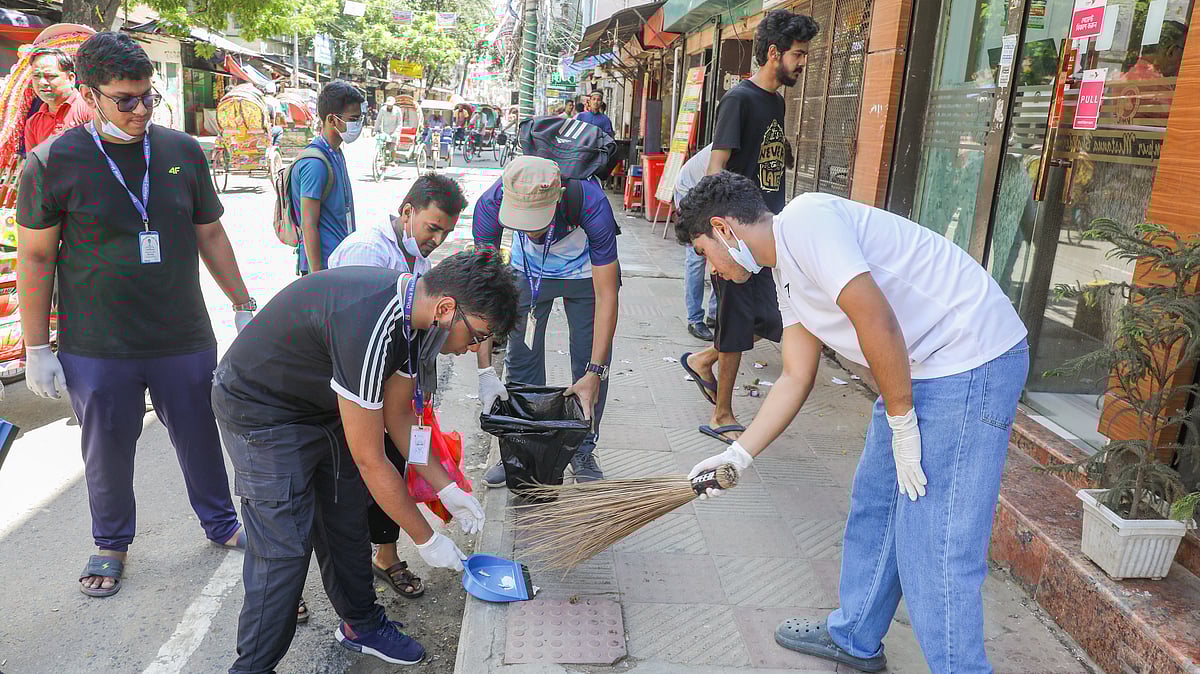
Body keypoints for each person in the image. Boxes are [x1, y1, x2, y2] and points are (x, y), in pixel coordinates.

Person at [678, 172, 1029, 673]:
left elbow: (875, 319)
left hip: (971, 360)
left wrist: (903, 423)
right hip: (915, 368)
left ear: (723, 229)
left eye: (703, 251)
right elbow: (797, 376)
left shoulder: (807, 220)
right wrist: (738, 456)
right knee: (877, 502)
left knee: (936, 544)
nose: (709, 266)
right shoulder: (785, 275)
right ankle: (856, 634)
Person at [15, 31, 256, 598]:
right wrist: (37, 347)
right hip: (97, 343)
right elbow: (36, 255)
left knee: (199, 432)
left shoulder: (182, 152)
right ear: (88, 93)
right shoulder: (51, 163)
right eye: (125, 99)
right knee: (107, 446)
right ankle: (110, 543)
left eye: (148, 97)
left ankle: (220, 523)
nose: (141, 110)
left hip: (182, 334)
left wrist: (242, 303)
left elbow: (211, 232)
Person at [213, 251, 518, 672]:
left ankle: (361, 624)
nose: (472, 349)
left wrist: (448, 486)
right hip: (262, 412)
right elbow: (371, 459)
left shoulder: (417, 321)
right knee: (283, 548)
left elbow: (399, 418)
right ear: (448, 308)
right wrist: (425, 539)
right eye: (478, 335)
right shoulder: (372, 324)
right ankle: (253, 667)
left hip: (320, 407)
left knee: (344, 520)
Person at [681, 10, 817, 444]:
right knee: (738, 324)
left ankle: (704, 360)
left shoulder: (776, 101)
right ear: (773, 53)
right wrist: (716, 238)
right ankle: (722, 414)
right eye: (798, 54)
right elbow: (717, 169)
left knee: (769, 318)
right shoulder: (738, 100)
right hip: (737, 236)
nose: (803, 63)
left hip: (769, 232)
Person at [474, 157, 620, 485]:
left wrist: (595, 372)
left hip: (586, 278)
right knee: (522, 360)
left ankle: (582, 447)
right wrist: (485, 371)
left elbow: (608, 295)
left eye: (535, 220)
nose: (527, 229)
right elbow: (483, 289)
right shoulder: (489, 205)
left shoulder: (592, 203)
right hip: (528, 275)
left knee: (590, 361)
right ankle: (521, 451)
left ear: (559, 196)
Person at [293, 80, 365, 275]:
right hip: (324, 268)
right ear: (332, 120)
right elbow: (308, 224)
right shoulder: (315, 163)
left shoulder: (336, 153)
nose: (358, 124)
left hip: (340, 261)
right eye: (353, 119)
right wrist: (317, 277)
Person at [675, 144, 718, 341]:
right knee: (697, 255)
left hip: (711, 195)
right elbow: (712, 188)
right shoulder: (728, 144)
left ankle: (715, 314)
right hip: (690, 191)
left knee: (721, 253)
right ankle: (694, 319)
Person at [24, 45, 92, 150]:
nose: (41, 82)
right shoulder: (33, 123)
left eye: (50, 76)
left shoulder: (90, 109)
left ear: (70, 79)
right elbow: (34, 164)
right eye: (36, 76)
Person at [374, 96, 402, 164]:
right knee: (382, 144)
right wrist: (376, 129)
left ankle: (392, 160)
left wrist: (396, 132)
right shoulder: (383, 109)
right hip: (385, 130)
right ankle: (382, 157)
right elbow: (379, 120)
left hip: (394, 130)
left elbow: (399, 122)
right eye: (388, 105)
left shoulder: (397, 110)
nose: (389, 107)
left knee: (393, 146)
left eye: (390, 105)